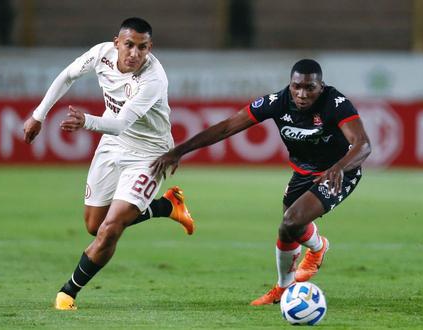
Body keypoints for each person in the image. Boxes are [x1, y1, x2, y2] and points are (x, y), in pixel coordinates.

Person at [151, 59, 371, 305]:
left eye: (310, 88)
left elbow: (363, 144)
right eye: (296, 86)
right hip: (303, 172)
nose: (302, 93)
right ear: (290, 84)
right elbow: (226, 127)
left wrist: (339, 167)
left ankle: (283, 290)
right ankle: (318, 248)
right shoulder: (277, 103)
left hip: (339, 172)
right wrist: (180, 150)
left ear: (321, 87)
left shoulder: (335, 104)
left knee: (289, 221)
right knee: (291, 229)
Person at [22, 17, 195, 310]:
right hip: (113, 145)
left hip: (149, 154)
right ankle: (167, 206)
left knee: (110, 230)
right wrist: (39, 115)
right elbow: (67, 75)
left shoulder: (153, 78)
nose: (135, 53)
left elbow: (120, 123)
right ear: (117, 43)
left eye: (142, 47)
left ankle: (68, 293)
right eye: (129, 45)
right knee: (94, 225)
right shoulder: (101, 54)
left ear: (149, 47)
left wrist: (86, 121)